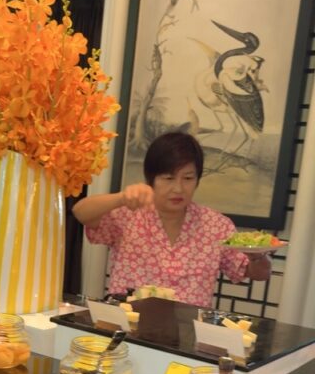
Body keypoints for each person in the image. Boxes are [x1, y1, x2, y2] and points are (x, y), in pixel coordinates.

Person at [72, 131, 271, 307]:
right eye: (168, 178)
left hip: (186, 335)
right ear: (151, 180)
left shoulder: (216, 225)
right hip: (127, 328)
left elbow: (258, 273)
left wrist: (258, 256)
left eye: (187, 178)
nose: (178, 188)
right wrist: (121, 197)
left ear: (197, 180)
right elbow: (81, 212)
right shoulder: (130, 214)